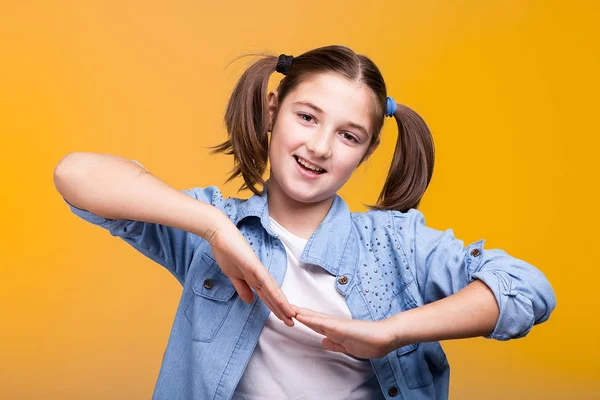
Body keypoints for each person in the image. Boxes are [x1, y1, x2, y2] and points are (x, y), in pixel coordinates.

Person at [53, 45, 556, 400]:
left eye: (349, 136)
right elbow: (75, 174)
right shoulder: (210, 231)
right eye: (308, 117)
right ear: (273, 110)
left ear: (368, 152)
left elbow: (526, 291)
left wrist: (391, 333)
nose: (319, 147)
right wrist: (214, 228)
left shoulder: (396, 243)